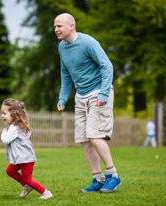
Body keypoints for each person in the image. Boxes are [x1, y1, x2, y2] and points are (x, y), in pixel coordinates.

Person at [54, 13, 121, 193]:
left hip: (99, 92)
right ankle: (97, 179)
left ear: (71, 26)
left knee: (94, 135)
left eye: (59, 26)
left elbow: (107, 65)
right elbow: (65, 73)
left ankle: (113, 176)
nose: (56, 30)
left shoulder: (88, 42)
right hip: (80, 96)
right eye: (55, 27)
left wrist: (104, 94)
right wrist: (63, 97)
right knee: (84, 140)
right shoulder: (62, 47)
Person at [0, 98, 53, 199]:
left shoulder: (14, 128)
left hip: (25, 158)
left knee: (27, 179)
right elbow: (27, 134)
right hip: (20, 157)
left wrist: (4, 132)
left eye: (4, 113)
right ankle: (26, 186)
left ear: (14, 114)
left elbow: (6, 140)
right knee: (10, 171)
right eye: (2, 113)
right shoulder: (17, 126)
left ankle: (45, 192)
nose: (2, 116)